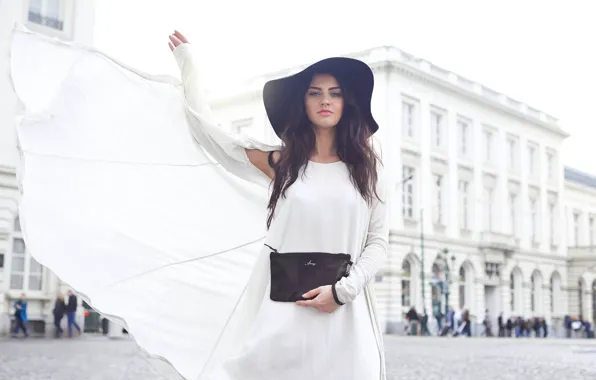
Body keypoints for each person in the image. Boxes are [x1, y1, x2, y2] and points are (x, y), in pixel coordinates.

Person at [9, 26, 389, 380]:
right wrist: (190, 70)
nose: (325, 100)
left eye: (334, 92)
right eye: (315, 92)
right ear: (302, 102)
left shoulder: (368, 169)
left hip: (345, 313)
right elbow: (212, 139)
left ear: (347, 102)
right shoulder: (282, 163)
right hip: (284, 313)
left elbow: (378, 243)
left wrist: (343, 291)